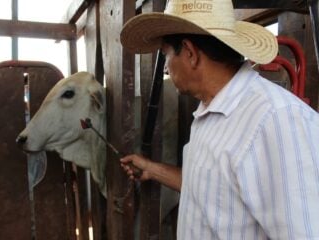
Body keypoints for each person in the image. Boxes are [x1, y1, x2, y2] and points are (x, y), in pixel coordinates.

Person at [119, 0, 319, 239]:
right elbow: (213, 189)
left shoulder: (277, 120)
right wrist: (152, 169)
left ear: (190, 53)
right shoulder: (211, 109)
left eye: (166, 55)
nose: (166, 68)